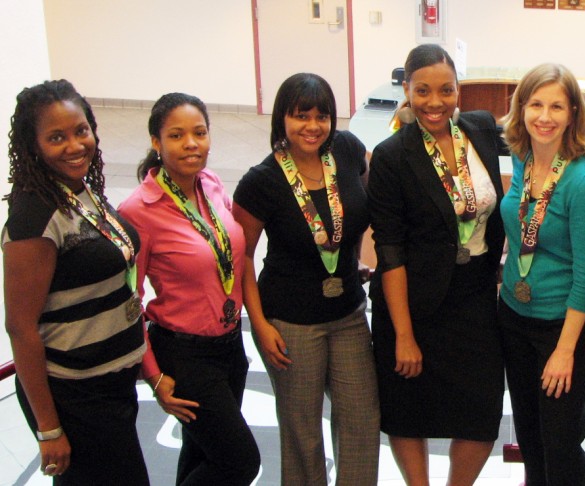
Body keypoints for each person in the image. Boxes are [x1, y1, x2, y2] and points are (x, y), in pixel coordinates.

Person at [367, 44, 506, 486]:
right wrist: (403, 336)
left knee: (482, 413)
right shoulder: (391, 156)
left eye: (446, 90)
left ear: (458, 90)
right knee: (409, 410)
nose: (434, 102)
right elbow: (389, 251)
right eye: (422, 90)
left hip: (476, 295)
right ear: (406, 90)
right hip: (414, 301)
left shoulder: (480, 130)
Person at [233, 72, 380, 485]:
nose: (312, 126)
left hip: (349, 312)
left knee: (361, 421)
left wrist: (350, 260)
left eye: (322, 116)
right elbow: (241, 258)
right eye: (301, 116)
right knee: (303, 433)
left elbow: (355, 212)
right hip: (291, 321)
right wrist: (259, 326)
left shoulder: (348, 151)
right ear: (282, 119)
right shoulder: (261, 181)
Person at [2, 79, 149, 484]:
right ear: (34, 146)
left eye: (81, 131)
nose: (75, 145)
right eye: (56, 137)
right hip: (75, 397)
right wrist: (49, 430)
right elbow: (20, 327)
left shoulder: (77, 189)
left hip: (109, 384)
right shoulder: (35, 216)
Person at [118, 93, 260, 485]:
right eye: (177, 136)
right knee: (239, 461)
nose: (191, 144)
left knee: (202, 452)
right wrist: (155, 378)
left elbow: (229, 253)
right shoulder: (138, 210)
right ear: (156, 142)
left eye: (199, 133)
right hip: (184, 355)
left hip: (230, 346)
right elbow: (129, 302)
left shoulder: (210, 184)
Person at [498, 63, 585, 486]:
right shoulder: (522, 158)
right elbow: (521, 225)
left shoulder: (584, 182)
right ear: (521, 108)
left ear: (573, 113)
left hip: (562, 328)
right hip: (514, 317)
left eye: (556, 106)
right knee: (529, 437)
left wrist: (565, 351)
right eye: (536, 104)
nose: (545, 116)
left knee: (560, 443)